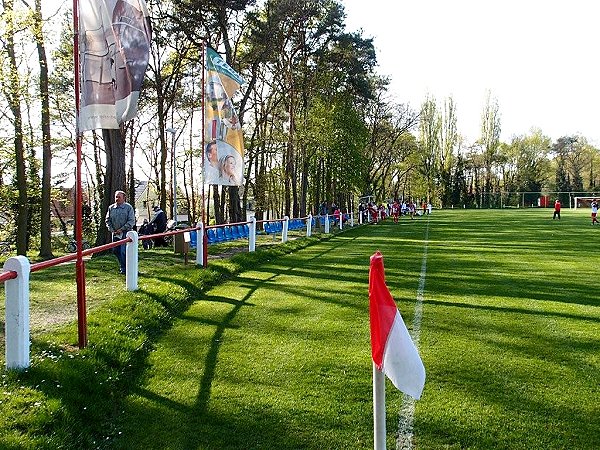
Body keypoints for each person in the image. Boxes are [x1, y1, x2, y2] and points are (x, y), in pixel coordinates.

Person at [105, 190, 135, 274]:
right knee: (116, 251)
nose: (117, 199)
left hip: (125, 233)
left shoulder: (128, 208)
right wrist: (112, 230)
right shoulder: (111, 208)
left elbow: (131, 221)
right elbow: (107, 220)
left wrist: (122, 229)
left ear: (124, 198)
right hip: (115, 233)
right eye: (116, 197)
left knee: (123, 251)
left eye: (119, 197)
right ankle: (124, 266)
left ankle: (125, 268)